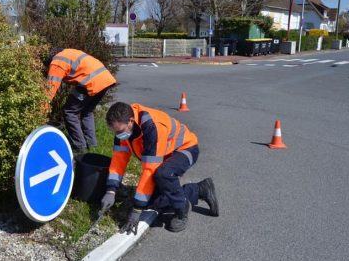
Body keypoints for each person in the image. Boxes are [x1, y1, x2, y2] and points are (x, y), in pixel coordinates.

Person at [100, 102, 219, 234]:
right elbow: (118, 161)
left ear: (131, 121)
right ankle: (199, 189)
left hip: (186, 148)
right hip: (165, 155)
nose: (118, 135)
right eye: (115, 131)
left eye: (120, 131)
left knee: (163, 174)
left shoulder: (151, 127)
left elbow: (150, 170)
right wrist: (111, 191)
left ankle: (182, 209)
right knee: (152, 202)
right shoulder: (123, 129)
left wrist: (136, 210)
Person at [43, 48, 116, 154]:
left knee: (70, 112)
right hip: (105, 79)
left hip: (90, 82)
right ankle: (93, 146)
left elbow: (49, 91)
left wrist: (41, 111)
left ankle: (80, 147)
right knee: (87, 112)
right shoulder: (68, 52)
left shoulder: (56, 63)